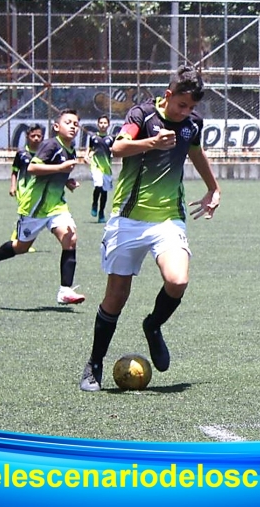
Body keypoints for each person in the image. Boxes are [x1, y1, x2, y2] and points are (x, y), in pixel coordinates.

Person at [79, 65, 221, 392]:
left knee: (177, 280)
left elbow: (195, 153)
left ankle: (153, 325)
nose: (185, 112)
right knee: (116, 297)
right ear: (168, 95)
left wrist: (213, 188)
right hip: (127, 219)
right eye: (181, 105)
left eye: (191, 107)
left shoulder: (192, 124)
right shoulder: (142, 115)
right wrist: (152, 142)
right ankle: (94, 364)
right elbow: (117, 148)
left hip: (168, 218)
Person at [0, 109, 86, 306]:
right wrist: (60, 169)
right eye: (68, 122)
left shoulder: (71, 149)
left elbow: (58, 172)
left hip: (56, 206)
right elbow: (32, 168)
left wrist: (67, 181)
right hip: (35, 207)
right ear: (57, 127)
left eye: (76, 124)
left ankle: (65, 291)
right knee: (21, 247)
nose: (73, 126)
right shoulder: (50, 145)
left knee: (70, 239)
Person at [9, 123, 45, 253]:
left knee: (32, 215)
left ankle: (19, 239)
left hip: (38, 189)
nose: (36, 138)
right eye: (33, 135)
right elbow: (14, 171)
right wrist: (13, 186)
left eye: (39, 136)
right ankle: (17, 239)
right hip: (23, 189)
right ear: (27, 136)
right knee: (25, 214)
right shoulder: (21, 153)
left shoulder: (43, 153)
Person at [85, 115, 115, 223]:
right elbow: (90, 148)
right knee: (98, 186)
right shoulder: (93, 137)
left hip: (106, 167)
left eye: (105, 123)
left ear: (108, 125)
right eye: (101, 123)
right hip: (96, 166)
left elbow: (115, 150)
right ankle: (94, 204)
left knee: (104, 191)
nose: (103, 125)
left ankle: (101, 212)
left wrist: (113, 151)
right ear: (98, 124)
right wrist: (86, 155)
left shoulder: (111, 138)